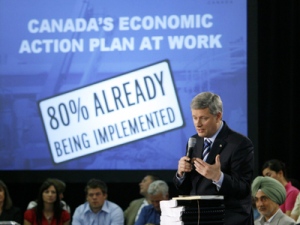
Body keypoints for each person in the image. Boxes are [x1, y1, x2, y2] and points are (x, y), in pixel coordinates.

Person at [173, 91, 254, 225]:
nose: (197, 124)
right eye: (194, 117)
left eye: (203, 118)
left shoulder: (240, 144)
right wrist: (181, 174)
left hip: (227, 219)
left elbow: (243, 188)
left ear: (218, 116)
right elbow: (188, 188)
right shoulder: (193, 141)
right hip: (198, 218)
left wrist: (218, 177)